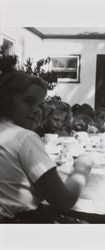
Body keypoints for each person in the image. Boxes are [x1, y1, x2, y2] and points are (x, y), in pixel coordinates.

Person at [0, 71, 94, 223]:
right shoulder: (24, 138)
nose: (37, 110)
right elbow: (63, 201)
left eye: (40, 104)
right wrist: (82, 168)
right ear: (6, 99)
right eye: (29, 101)